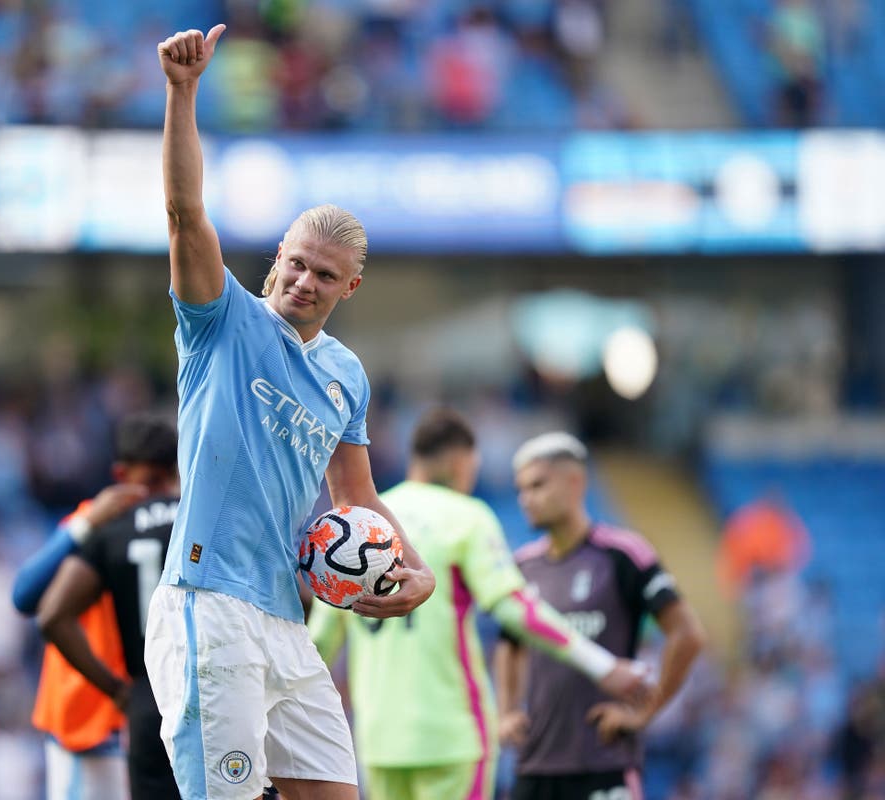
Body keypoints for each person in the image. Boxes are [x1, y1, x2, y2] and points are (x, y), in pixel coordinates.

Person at [147, 23, 437, 800]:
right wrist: (183, 93)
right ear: (276, 257)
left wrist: (414, 571)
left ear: (351, 289)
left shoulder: (345, 374)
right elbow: (183, 213)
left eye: (324, 274)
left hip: (285, 617)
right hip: (210, 608)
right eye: (296, 263)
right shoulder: (221, 321)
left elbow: (358, 501)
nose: (304, 280)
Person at [308, 408, 652, 800]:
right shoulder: (465, 517)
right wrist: (603, 665)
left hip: (379, 741)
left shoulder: (362, 526)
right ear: (460, 460)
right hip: (454, 736)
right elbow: (514, 608)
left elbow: (319, 642)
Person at [495, 432, 706, 800]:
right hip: (535, 766)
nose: (526, 498)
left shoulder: (623, 554)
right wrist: (507, 711)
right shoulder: (523, 566)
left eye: (538, 485)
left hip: (603, 762)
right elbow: (510, 644)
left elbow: (687, 634)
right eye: (521, 489)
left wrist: (644, 714)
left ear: (575, 482)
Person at [32, 413, 184, 800]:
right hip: (218, 691)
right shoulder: (207, 519)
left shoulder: (109, 528)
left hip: (143, 703)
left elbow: (46, 611)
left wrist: (119, 692)